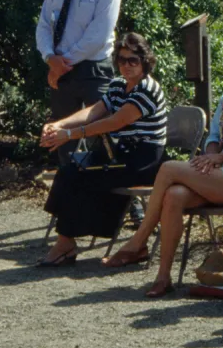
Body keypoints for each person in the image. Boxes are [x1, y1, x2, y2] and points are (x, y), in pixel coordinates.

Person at [105, 27, 223, 297]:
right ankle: (163, 277)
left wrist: (221, 157)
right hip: (220, 169)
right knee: (174, 195)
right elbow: (214, 135)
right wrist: (211, 156)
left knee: (168, 168)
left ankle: (138, 241)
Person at [38, 32, 168, 266]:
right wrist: (60, 124)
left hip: (144, 160)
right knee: (69, 171)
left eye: (133, 60)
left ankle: (65, 244)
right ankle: (65, 242)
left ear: (144, 61)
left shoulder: (147, 89)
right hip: (120, 155)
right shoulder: (118, 85)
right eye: (121, 59)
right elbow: (94, 111)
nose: (126, 65)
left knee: (83, 178)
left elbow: (115, 122)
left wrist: (69, 135)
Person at [35, 0, 120, 164]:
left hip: (94, 70)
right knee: (62, 139)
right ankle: (70, 184)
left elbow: (98, 36)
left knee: (102, 138)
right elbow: (44, 25)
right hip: (62, 70)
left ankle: (110, 187)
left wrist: (61, 65)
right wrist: (49, 57)